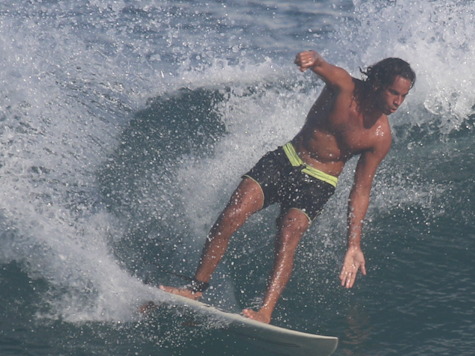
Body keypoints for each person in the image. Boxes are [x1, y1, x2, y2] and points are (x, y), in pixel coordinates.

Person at [163, 51, 415, 324]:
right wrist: (312, 60)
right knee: (231, 216)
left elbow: (361, 190)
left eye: (403, 96)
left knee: (287, 236)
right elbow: (323, 66)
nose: (397, 102)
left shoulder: (380, 136)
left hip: (319, 182)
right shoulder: (344, 86)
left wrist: (353, 244)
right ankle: (195, 290)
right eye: (394, 93)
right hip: (286, 159)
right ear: (377, 84)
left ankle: (265, 311)